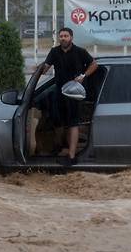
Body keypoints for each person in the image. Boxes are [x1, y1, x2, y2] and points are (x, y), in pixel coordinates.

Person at [42, 27, 98, 166]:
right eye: (61, 36)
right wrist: (39, 68)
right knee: (59, 122)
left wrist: (84, 75)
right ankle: (60, 148)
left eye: (66, 36)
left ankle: (71, 157)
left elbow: (94, 64)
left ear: (71, 38)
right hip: (59, 92)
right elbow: (45, 67)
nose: (63, 38)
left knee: (73, 123)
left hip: (74, 93)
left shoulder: (80, 52)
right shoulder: (54, 52)